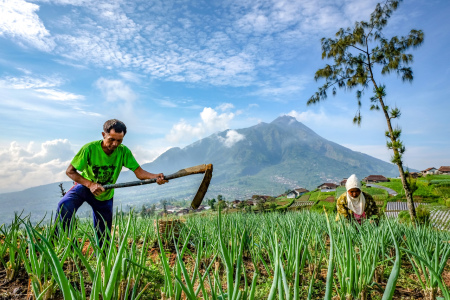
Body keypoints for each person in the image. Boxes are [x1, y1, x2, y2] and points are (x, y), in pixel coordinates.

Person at [56, 119, 167, 247]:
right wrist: (90, 184)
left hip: (105, 193)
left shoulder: (123, 151)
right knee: (64, 205)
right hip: (84, 187)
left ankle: (103, 261)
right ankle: (66, 243)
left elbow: (140, 173)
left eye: (119, 140)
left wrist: (155, 177)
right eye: (111, 139)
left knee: (104, 234)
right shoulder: (89, 149)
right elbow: (70, 171)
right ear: (104, 135)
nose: (115, 144)